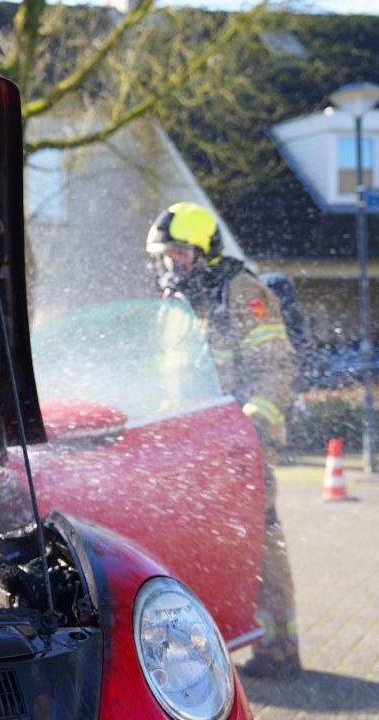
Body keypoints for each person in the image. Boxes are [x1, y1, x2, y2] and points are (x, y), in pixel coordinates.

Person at [146, 201, 301, 677]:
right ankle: (205, 647)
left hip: (239, 447)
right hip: (190, 448)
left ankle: (278, 648)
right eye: (164, 257)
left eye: (178, 254)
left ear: (202, 252)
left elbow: (276, 366)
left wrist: (252, 427)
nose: (170, 265)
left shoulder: (243, 293)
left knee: (258, 540)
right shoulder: (176, 306)